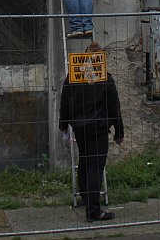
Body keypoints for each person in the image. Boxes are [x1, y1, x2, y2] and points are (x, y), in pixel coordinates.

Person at [59, 42, 124, 222]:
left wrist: (63, 125)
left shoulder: (72, 76)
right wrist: (119, 131)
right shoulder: (105, 78)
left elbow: (64, 101)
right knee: (95, 166)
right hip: (99, 128)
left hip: (80, 127)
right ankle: (93, 211)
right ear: (101, 58)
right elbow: (114, 107)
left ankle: (88, 200)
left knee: (85, 162)